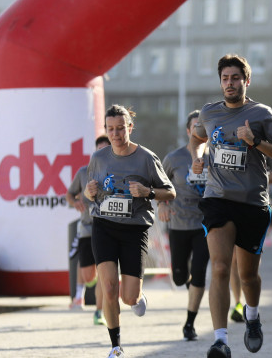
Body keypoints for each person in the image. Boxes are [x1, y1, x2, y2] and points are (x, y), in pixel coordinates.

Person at [189, 54, 272, 358]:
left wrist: (255, 142)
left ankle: (252, 316)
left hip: (252, 203)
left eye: (236, 78)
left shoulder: (261, 114)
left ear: (246, 81)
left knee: (248, 276)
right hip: (217, 199)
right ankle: (220, 340)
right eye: (225, 78)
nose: (230, 83)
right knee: (220, 267)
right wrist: (198, 156)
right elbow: (197, 137)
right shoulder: (209, 112)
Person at [84, 105, 176, 358]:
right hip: (103, 226)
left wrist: (148, 192)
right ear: (106, 130)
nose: (115, 134)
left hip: (134, 230)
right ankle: (115, 346)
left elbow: (170, 191)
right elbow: (89, 192)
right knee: (109, 288)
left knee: (128, 297)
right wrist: (88, 192)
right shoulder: (99, 158)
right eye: (110, 129)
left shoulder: (146, 158)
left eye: (120, 128)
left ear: (130, 128)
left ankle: (136, 298)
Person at [159, 109, 210, 341]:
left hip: (205, 225)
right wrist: (162, 204)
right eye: (195, 126)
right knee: (180, 277)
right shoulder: (174, 158)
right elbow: (160, 184)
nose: (200, 130)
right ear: (189, 131)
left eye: (204, 126)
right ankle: (187, 280)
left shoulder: (216, 157)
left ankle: (189, 323)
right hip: (179, 224)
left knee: (199, 272)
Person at [228, 159, 272, 324]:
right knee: (233, 260)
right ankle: (238, 303)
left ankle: (249, 302)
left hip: (255, 205)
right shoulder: (225, 139)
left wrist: (255, 176)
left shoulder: (263, 143)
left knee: (249, 264)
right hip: (230, 205)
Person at [66, 135, 112, 325]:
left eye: (105, 151)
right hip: (87, 228)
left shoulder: (116, 172)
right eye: (98, 150)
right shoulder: (83, 173)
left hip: (109, 227)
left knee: (104, 272)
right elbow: (69, 194)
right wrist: (75, 202)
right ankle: (88, 288)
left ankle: (99, 312)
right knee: (89, 276)